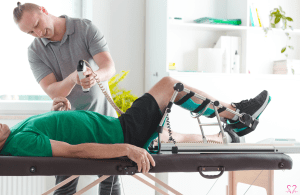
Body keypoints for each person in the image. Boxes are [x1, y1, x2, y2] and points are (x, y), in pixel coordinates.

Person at [0, 76, 271, 174]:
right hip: (122, 132)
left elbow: (60, 135)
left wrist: (59, 115)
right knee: (168, 86)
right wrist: (127, 148)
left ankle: (224, 138)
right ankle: (239, 117)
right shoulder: (19, 142)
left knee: (167, 135)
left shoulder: (15, 132)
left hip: (117, 127)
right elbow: (75, 151)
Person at [13, 2, 119, 195]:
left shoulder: (85, 29)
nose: (37, 33)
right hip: (68, 128)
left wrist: (94, 77)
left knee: (110, 181)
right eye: (30, 32)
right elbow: (54, 91)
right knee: (64, 186)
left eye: (36, 25)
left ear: (43, 10)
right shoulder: (35, 51)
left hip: (103, 120)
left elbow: (109, 67)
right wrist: (73, 78)